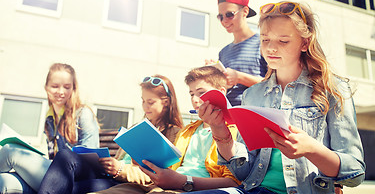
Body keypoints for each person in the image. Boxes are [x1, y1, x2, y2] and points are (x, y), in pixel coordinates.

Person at [194, 2, 365, 194]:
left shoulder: (334, 89)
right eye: (265, 40)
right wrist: (220, 132)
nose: (271, 49)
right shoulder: (252, 94)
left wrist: (312, 149)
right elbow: (242, 172)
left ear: (305, 43)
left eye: (283, 41)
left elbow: (355, 172)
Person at [90, 66, 240, 194]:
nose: (195, 99)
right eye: (192, 94)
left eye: (201, 93)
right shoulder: (187, 131)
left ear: (221, 92)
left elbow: (234, 182)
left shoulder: (234, 131)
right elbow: (169, 169)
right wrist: (144, 162)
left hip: (187, 188)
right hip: (161, 185)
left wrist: (183, 181)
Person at [38, 75, 184, 194]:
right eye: (143, 101)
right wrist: (109, 163)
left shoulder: (175, 134)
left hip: (124, 182)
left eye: (150, 102)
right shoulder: (137, 127)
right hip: (110, 174)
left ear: (166, 102)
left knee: (71, 188)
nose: (145, 106)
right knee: (65, 155)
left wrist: (120, 169)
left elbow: (158, 176)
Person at [0, 63, 100, 194]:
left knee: (10, 152)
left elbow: (90, 160)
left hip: (73, 177)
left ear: (73, 88)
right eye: (55, 86)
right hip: (53, 173)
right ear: (46, 87)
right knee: (4, 180)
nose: (61, 92)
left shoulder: (83, 114)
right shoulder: (50, 118)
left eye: (67, 87)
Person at [206, 0, 267, 106]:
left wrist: (239, 77)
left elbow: (276, 85)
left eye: (229, 14)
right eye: (220, 16)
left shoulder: (263, 43)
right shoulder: (223, 52)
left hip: (256, 116)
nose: (224, 21)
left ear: (245, 11)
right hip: (230, 117)